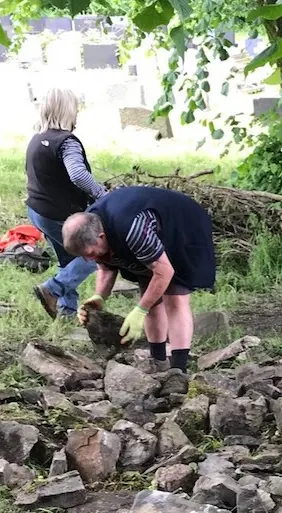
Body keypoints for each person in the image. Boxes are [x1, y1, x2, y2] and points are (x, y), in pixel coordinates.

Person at [61, 186, 216, 372]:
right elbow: (106, 263)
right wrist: (99, 296)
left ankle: (178, 370)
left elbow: (164, 272)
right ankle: (158, 362)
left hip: (183, 228)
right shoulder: (89, 225)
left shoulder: (132, 229)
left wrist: (140, 309)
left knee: (175, 298)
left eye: (90, 253)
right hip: (146, 234)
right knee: (149, 295)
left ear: (102, 237)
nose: (89, 259)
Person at [26, 88, 107, 319]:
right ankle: (52, 289)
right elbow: (78, 175)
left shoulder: (37, 138)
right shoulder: (66, 142)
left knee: (67, 258)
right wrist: (102, 194)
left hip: (37, 210)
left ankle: (67, 311)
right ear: (68, 110)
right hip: (59, 214)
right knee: (93, 256)